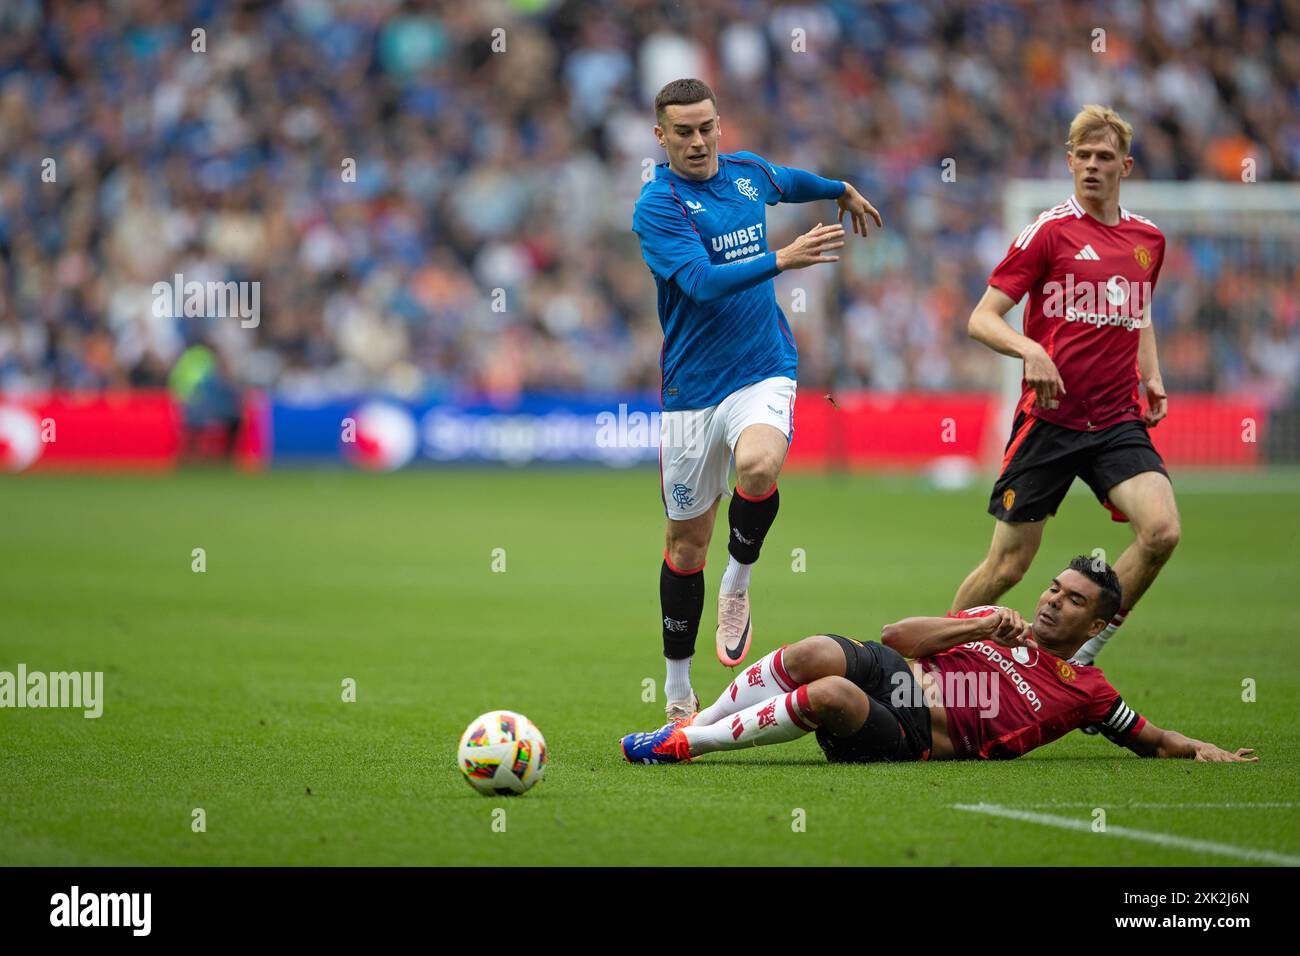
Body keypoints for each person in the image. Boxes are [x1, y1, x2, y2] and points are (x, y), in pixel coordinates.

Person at [631, 77, 882, 722]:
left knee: (761, 466)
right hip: (691, 391)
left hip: (763, 368)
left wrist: (838, 189)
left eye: (706, 126)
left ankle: (737, 585)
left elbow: (786, 180)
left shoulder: (744, 172)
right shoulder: (657, 207)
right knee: (686, 545)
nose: (697, 140)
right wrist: (784, 258)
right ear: (661, 138)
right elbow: (702, 283)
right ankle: (678, 691)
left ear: (720, 124)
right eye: (682, 131)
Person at [622, 556, 1257, 765]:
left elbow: (1150, 738)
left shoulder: (1087, 691)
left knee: (834, 696)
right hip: (896, 674)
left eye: (1073, 602)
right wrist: (980, 621)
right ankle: (690, 721)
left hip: (911, 733)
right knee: (817, 651)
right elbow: (896, 635)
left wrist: (1204, 749)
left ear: (1096, 624)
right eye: (1054, 589)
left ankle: (688, 745)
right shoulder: (998, 626)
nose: (1053, 602)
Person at [950, 105, 1179, 666]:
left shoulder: (1147, 239)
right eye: (1084, 157)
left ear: (1125, 166)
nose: (1093, 166)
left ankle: (1076, 654)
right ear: (1069, 161)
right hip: (1049, 420)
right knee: (1008, 567)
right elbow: (981, 318)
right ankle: (933, 661)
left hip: (1116, 420)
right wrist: (1030, 350)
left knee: (1162, 532)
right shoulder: (1048, 233)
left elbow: (1139, 309)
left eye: (1105, 157)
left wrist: (1150, 373)